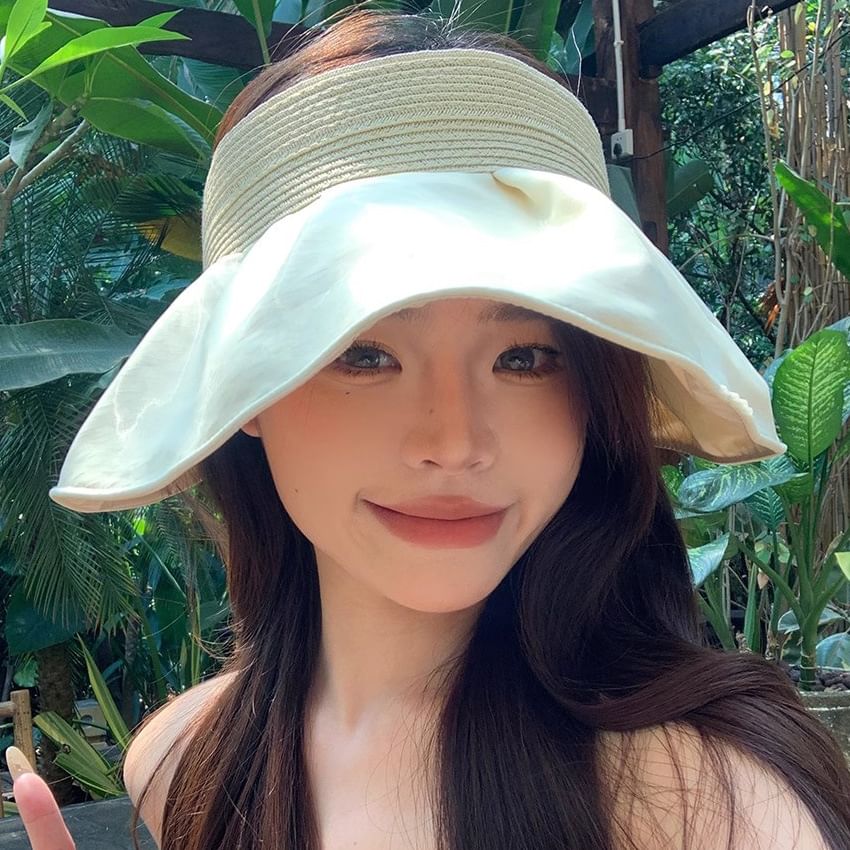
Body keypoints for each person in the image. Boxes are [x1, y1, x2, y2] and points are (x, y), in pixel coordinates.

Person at [8, 8, 850, 850]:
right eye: (364, 354)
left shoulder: (704, 803)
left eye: (525, 357)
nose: (454, 443)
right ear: (246, 386)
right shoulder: (186, 764)